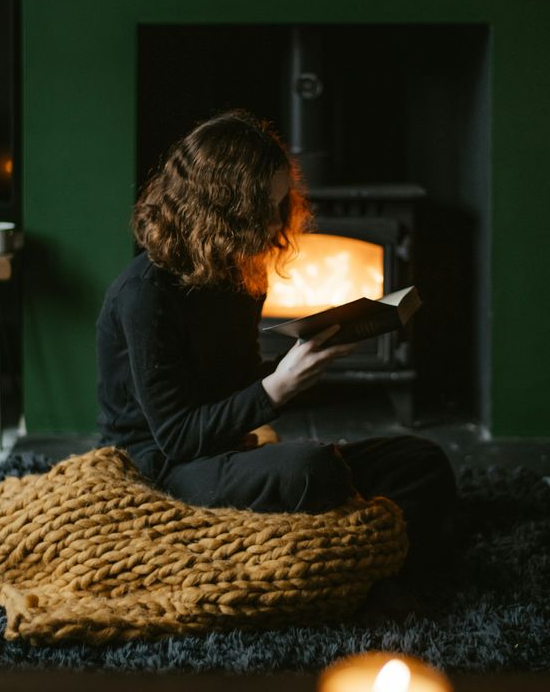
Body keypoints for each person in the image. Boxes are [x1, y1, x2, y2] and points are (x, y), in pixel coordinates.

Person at [96, 109, 456, 571]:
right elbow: (178, 438)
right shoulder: (144, 294)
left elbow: (238, 386)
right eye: (265, 208)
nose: (276, 222)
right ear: (220, 209)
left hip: (228, 449)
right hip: (161, 467)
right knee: (312, 469)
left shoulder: (238, 273)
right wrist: (277, 388)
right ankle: (381, 552)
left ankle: (378, 549)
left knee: (421, 458)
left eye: (282, 204)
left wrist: (303, 363)